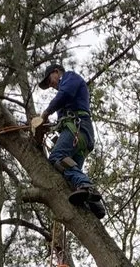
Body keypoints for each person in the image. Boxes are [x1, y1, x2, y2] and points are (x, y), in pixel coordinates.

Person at [31, 63, 106, 219]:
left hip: (77, 128)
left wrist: (45, 114)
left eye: (49, 80)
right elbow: (62, 115)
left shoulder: (70, 77)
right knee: (69, 177)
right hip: (80, 133)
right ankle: (94, 205)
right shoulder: (66, 98)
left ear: (56, 72)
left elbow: (64, 95)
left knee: (57, 157)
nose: (51, 85)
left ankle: (87, 185)